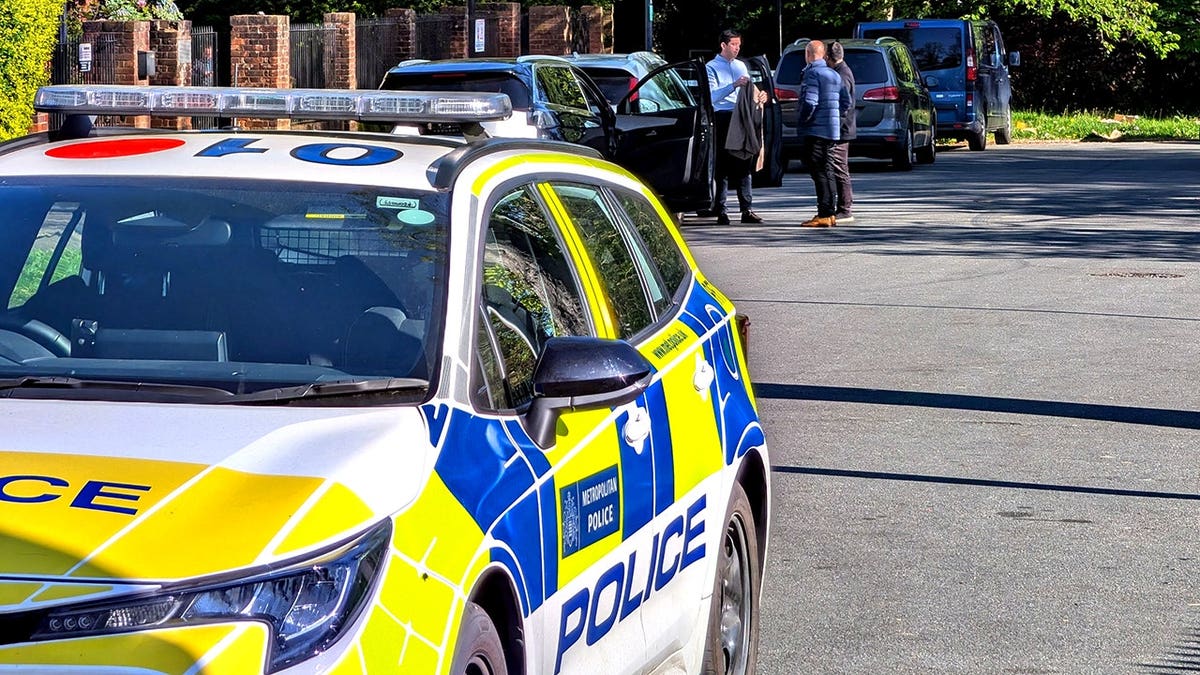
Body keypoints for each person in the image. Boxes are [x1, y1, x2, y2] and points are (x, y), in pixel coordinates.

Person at [705, 29, 767, 225]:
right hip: (722, 116)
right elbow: (712, 96)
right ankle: (721, 210)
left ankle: (746, 209)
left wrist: (761, 96)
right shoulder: (711, 67)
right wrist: (733, 85)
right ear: (723, 45)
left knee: (744, 160)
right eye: (733, 45)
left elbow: (750, 91)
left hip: (740, 116)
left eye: (739, 45)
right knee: (722, 165)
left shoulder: (741, 66)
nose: (737, 49)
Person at [796, 40, 849, 228]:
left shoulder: (812, 73)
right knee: (827, 170)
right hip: (832, 130)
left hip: (815, 129)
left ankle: (824, 213)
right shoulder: (834, 74)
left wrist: (803, 120)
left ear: (808, 54)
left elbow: (810, 102)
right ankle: (830, 213)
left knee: (818, 171)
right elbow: (846, 102)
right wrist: (835, 117)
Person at [828, 41, 856, 223]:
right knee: (838, 167)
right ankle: (842, 206)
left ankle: (845, 208)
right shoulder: (841, 71)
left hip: (842, 128)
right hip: (843, 127)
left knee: (839, 168)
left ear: (829, 57)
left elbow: (844, 104)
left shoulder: (842, 74)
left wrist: (834, 126)